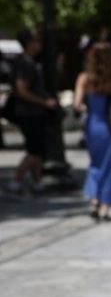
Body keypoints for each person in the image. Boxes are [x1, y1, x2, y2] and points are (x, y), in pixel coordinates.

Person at [73, 43, 111, 220]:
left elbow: (77, 104)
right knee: (110, 167)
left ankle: (93, 200)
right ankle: (105, 207)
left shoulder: (84, 78)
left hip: (93, 127)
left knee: (95, 164)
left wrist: (86, 108)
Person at [7, 30, 58, 195]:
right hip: (28, 112)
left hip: (33, 112)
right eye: (36, 41)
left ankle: (37, 182)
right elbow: (21, 89)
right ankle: (16, 181)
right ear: (29, 43)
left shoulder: (29, 62)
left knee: (37, 150)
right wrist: (44, 102)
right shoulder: (25, 63)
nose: (39, 45)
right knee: (34, 150)